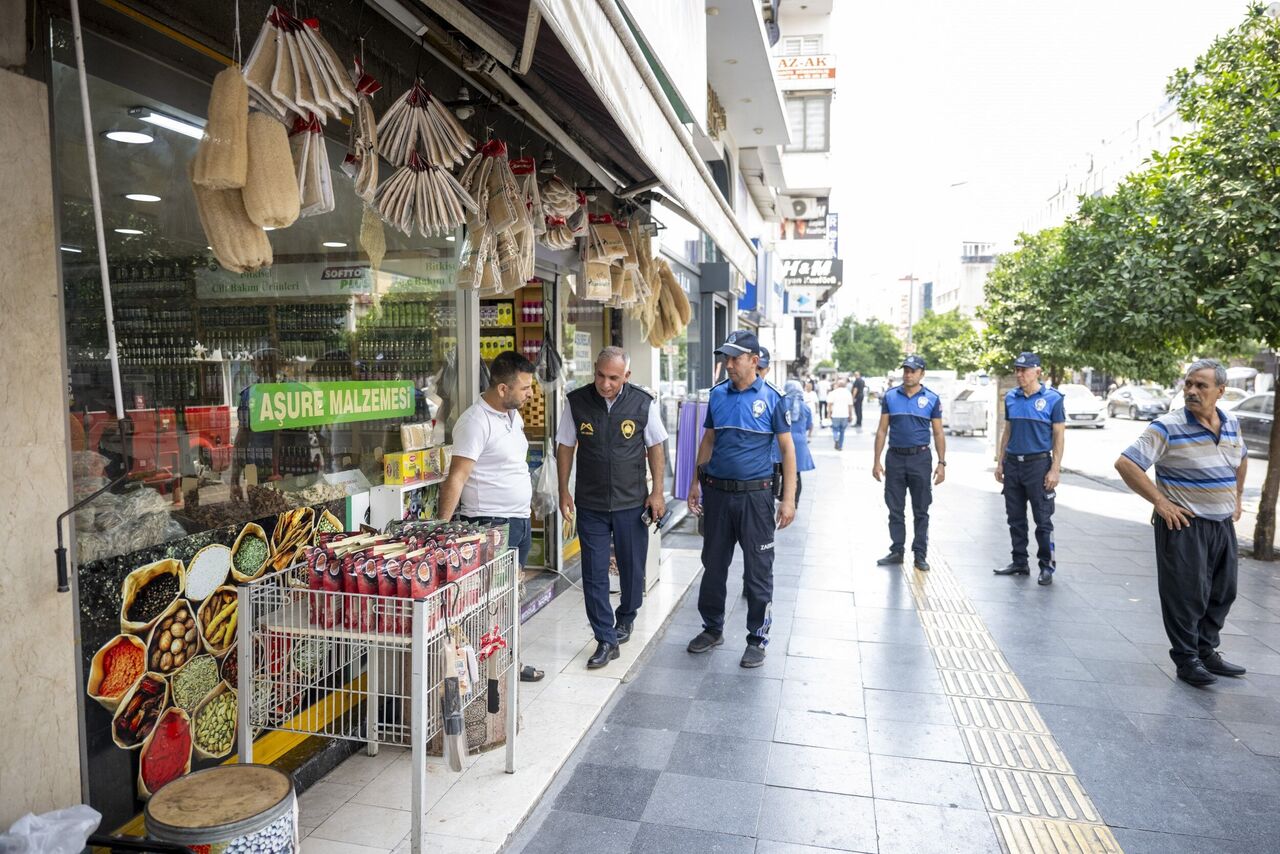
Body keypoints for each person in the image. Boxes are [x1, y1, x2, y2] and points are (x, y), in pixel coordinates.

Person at [1114, 359, 1248, 687]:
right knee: (1186, 595)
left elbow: (1241, 458)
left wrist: (1237, 497)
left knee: (1222, 592)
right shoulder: (1167, 426)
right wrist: (1160, 501)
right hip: (1184, 525)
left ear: (1220, 390)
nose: (1191, 391)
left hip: (1221, 525)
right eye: (1188, 384)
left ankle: (1206, 651)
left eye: (1201, 385)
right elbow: (1126, 463)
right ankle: (1187, 659)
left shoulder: (1230, 422)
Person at [686, 330, 797, 668]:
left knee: (758, 570)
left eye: (735, 358)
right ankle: (712, 628)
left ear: (754, 360)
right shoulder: (717, 395)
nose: (729, 364)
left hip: (756, 497)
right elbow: (708, 440)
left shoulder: (774, 398)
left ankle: (757, 638)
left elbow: (787, 448)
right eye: (726, 358)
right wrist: (695, 482)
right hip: (718, 495)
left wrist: (788, 499)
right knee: (714, 565)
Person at [555, 347, 668, 669]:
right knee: (593, 573)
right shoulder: (576, 402)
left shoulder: (642, 403)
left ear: (626, 376)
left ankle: (626, 616)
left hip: (631, 502)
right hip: (590, 503)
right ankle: (605, 638)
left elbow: (656, 447)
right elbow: (565, 446)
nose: (605, 384)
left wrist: (657, 492)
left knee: (633, 569)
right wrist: (563, 490)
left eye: (614, 378)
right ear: (595, 370)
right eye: (601, 375)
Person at [437, 350, 544, 682]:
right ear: (502, 389)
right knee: (486, 601)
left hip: (518, 522)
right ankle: (481, 670)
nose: (530, 394)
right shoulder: (475, 421)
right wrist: (441, 528)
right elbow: (457, 476)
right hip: (490, 524)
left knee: (509, 596)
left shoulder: (514, 417)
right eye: (525, 388)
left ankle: (507, 661)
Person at [993, 352, 1065, 586]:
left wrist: (1055, 468)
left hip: (1038, 465)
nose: (1019, 374)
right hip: (1013, 464)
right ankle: (1019, 562)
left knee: (1042, 520)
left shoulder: (1053, 399)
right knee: (1015, 518)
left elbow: (1059, 435)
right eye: (1017, 369)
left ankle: (1046, 566)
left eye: (1024, 370)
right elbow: (1008, 430)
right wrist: (1001, 461)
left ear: (1037, 371)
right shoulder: (1012, 398)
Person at [872, 355, 945, 571]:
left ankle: (920, 553)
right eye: (905, 370)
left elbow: (939, 433)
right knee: (894, 507)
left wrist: (942, 463)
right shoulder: (891, 396)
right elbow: (882, 430)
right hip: (895, 458)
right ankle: (897, 550)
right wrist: (876, 461)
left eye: (913, 371)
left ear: (922, 373)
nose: (908, 374)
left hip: (920, 458)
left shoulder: (932, 398)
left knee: (921, 509)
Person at [781, 380, 815, 500]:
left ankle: (782, 497)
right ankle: (794, 501)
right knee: (796, 473)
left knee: (782, 470)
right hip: (800, 443)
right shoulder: (805, 407)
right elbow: (809, 425)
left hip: (782, 441)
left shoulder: (781, 404)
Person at [827, 378, 854, 450]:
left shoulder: (833, 392)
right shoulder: (848, 393)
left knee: (835, 429)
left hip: (835, 414)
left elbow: (829, 404)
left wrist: (829, 413)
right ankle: (840, 446)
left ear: (838, 385)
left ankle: (836, 438)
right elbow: (850, 405)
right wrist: (850, 415)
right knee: (842, 431)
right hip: (845, 415)